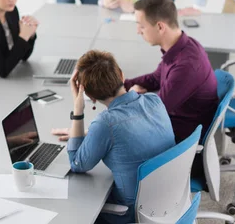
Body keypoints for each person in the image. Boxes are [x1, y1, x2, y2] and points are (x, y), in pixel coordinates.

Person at [58, 50, 175, 224]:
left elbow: (78, 164)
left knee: (73, 206)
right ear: (121, 75)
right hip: (169, 198)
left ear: (90, 96)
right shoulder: (154, 100)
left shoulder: (105, 124)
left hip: (132, 212)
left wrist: (78, 109)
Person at [124, 0, 218, 144]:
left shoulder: (186, 65)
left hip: (184, 135)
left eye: (141, 26)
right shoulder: (182, 45)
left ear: (160, 27)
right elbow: (155, 78)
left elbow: (156, 112)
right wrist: (119, 86)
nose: (138, 31)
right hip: (176, 119)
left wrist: (130, 97)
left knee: (115, 132)